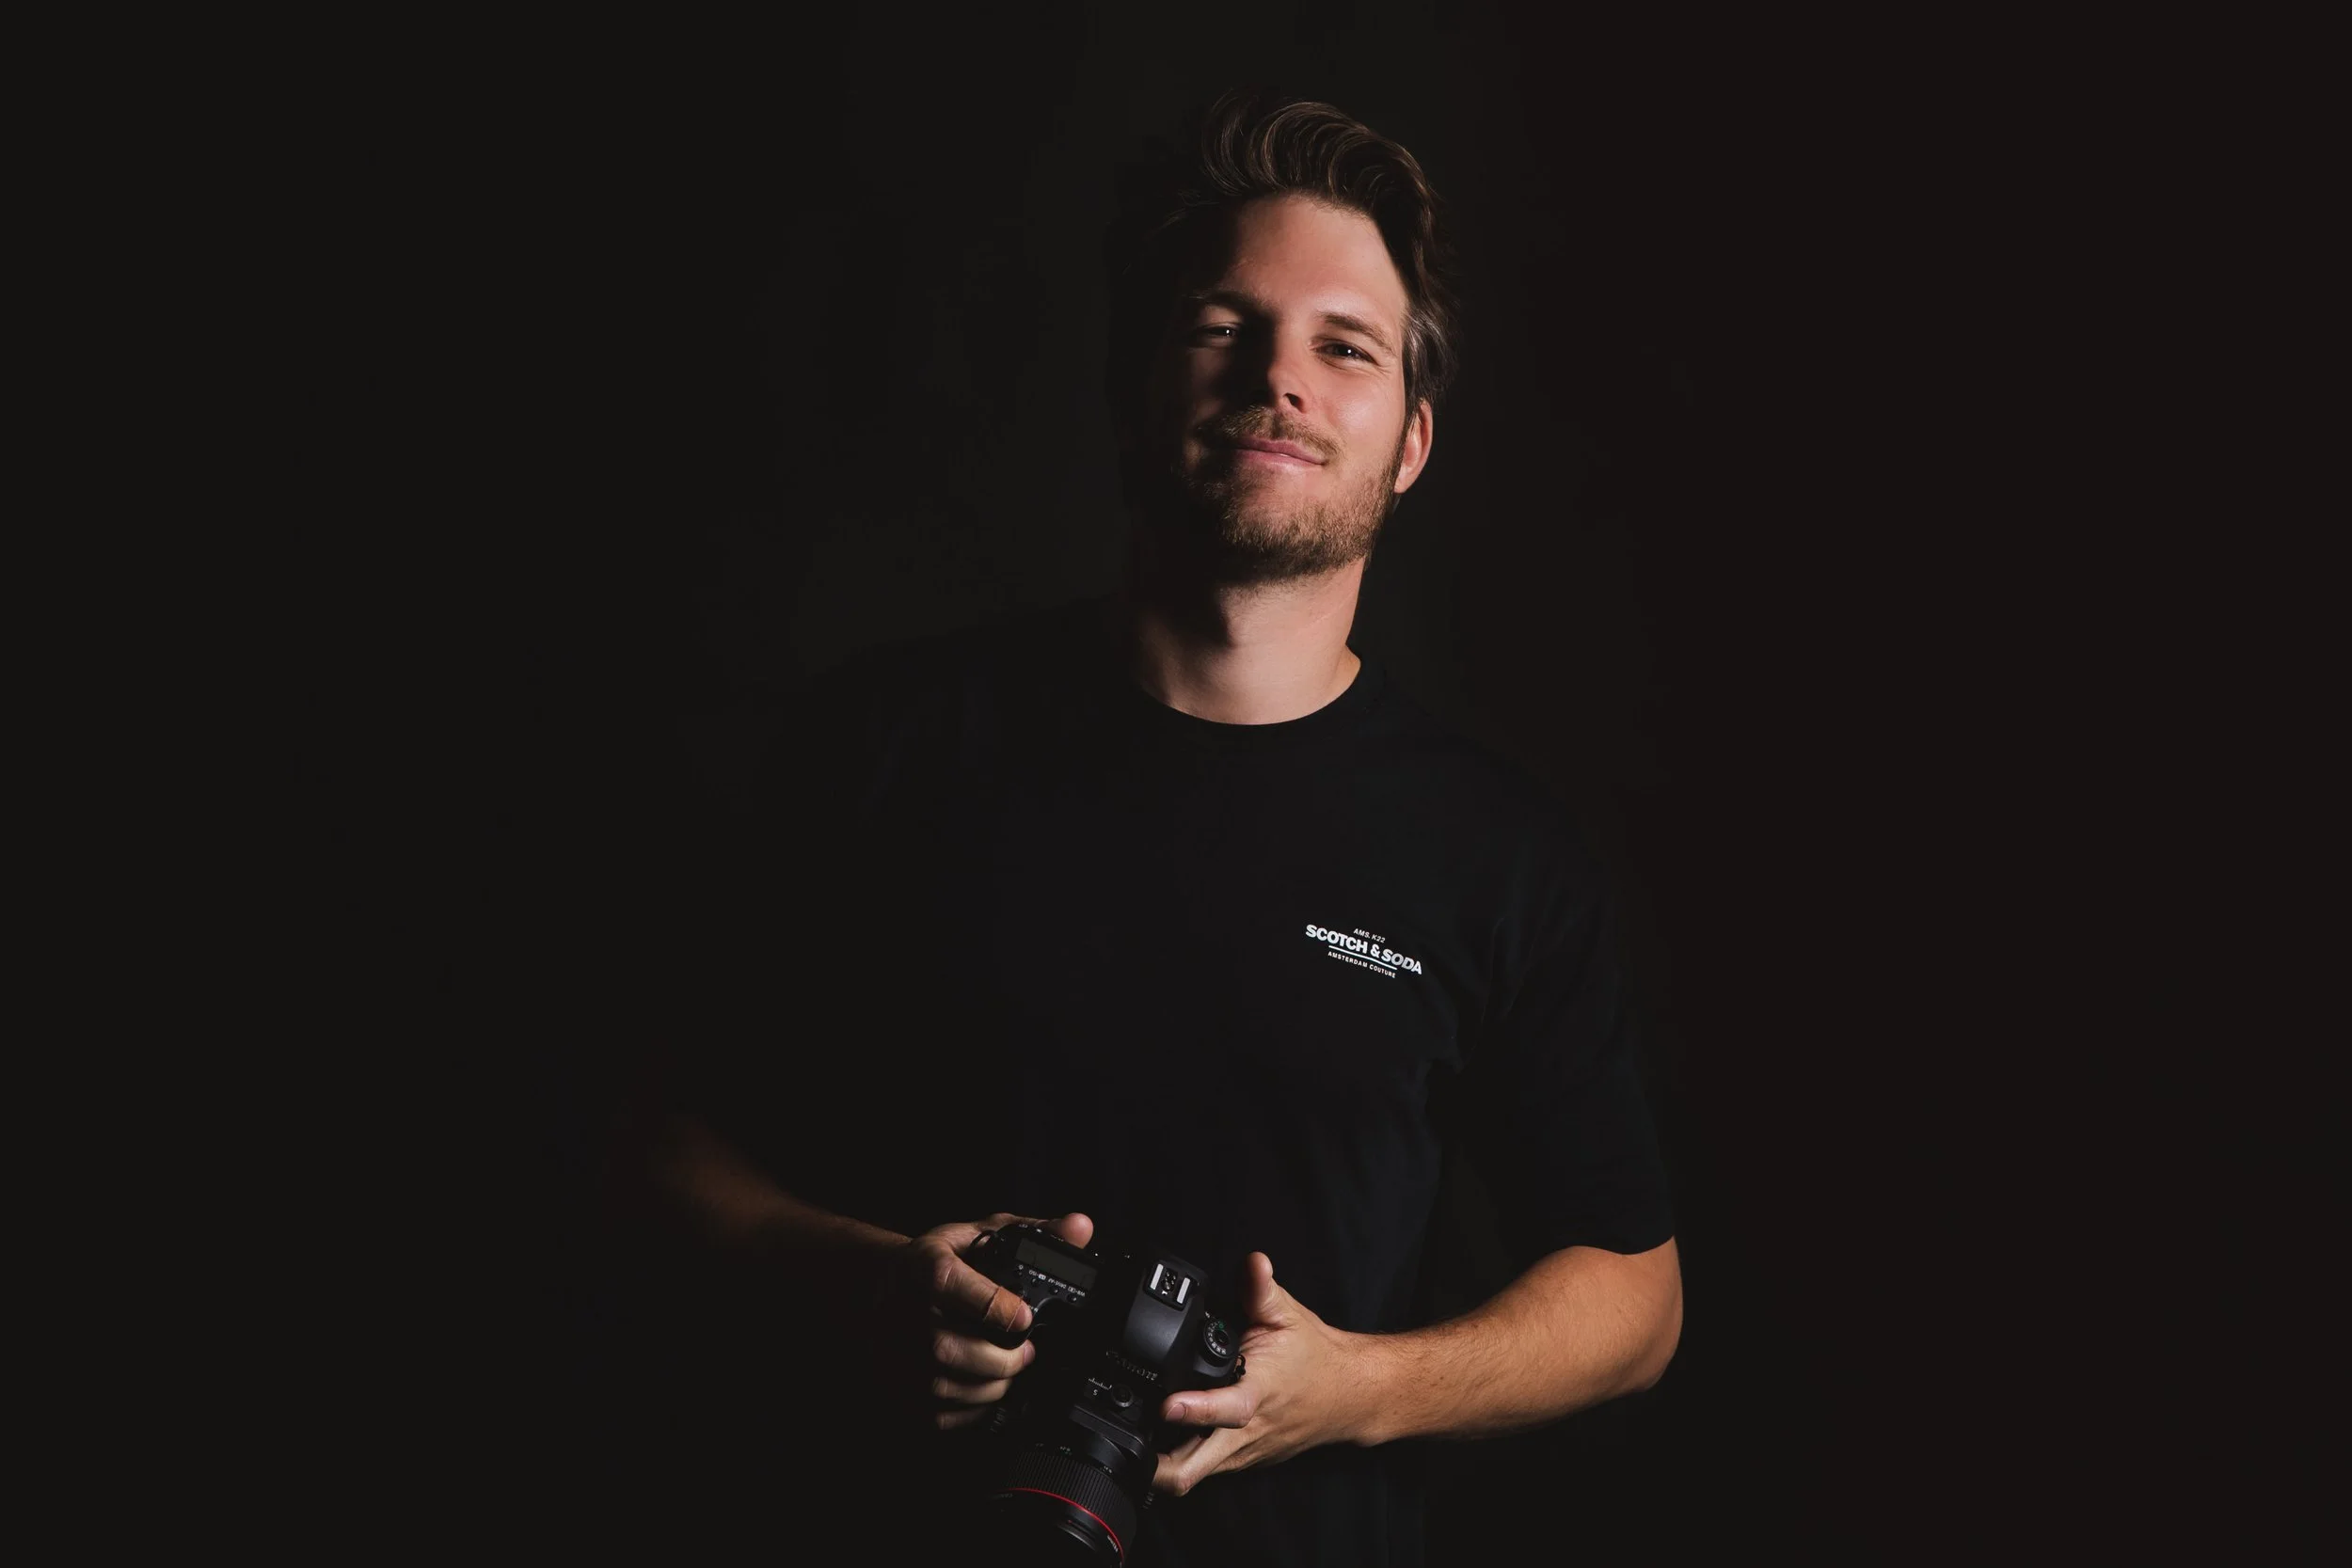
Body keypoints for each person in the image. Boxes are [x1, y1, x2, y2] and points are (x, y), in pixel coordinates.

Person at [638, 90, 1682, 1566]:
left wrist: (1354, 1389)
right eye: (1220, 325)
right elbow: (656, 1144)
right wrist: (860, 1284)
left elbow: (1638, 1299)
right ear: (1134, 386)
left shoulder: (1496, 854)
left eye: (1345, 345)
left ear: (1412, 441)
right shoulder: (891, 744)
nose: (1279, 377)